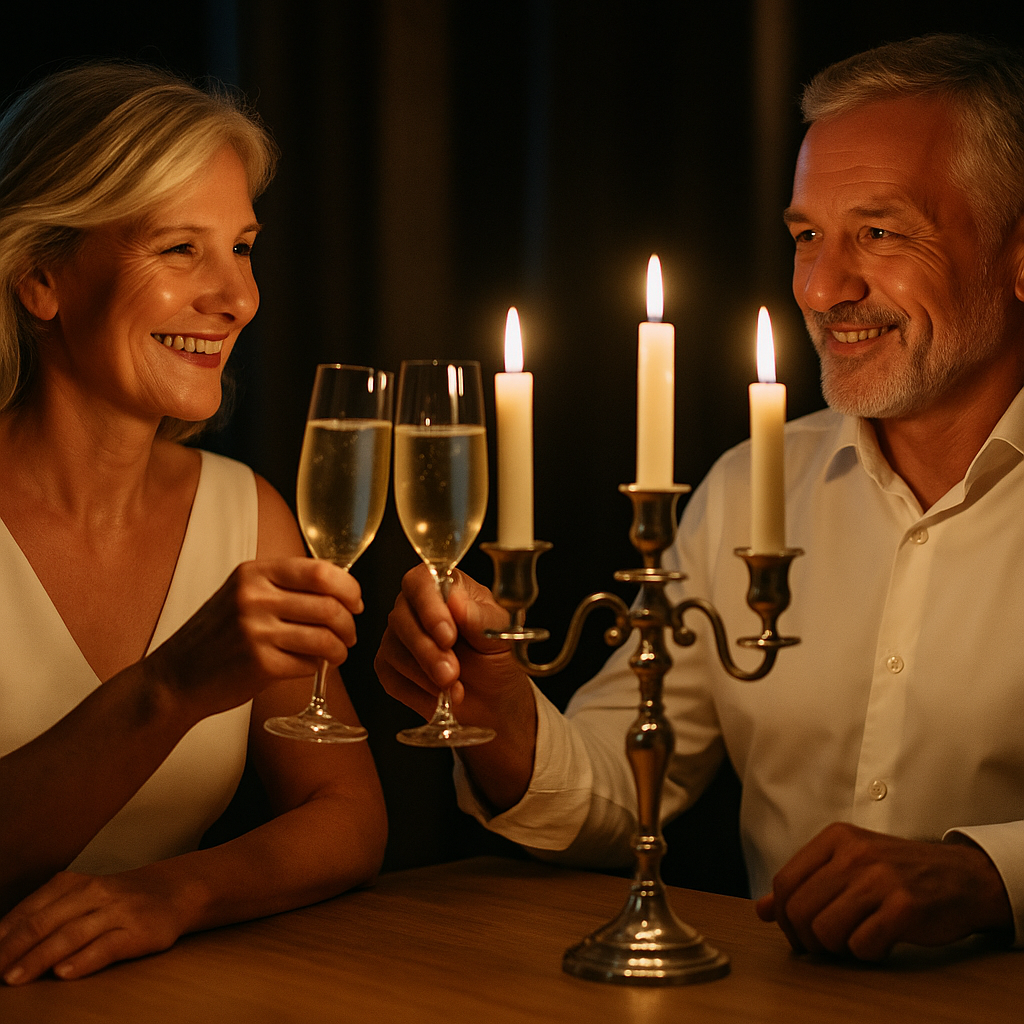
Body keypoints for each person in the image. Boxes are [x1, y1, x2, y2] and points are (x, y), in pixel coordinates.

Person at [376, 33, 1024, 961]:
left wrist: (990, 878)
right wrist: (499, 708)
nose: (822, 289)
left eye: (879, 233)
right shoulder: (748, 488)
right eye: (806, 236)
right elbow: (615, 796)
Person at [0, 63, 387, 984]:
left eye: (242, 247)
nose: (238, 298)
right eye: (180, 249)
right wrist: (170, 687)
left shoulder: (245, 512)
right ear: (41, 279)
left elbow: (348, 814)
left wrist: (174, 894)